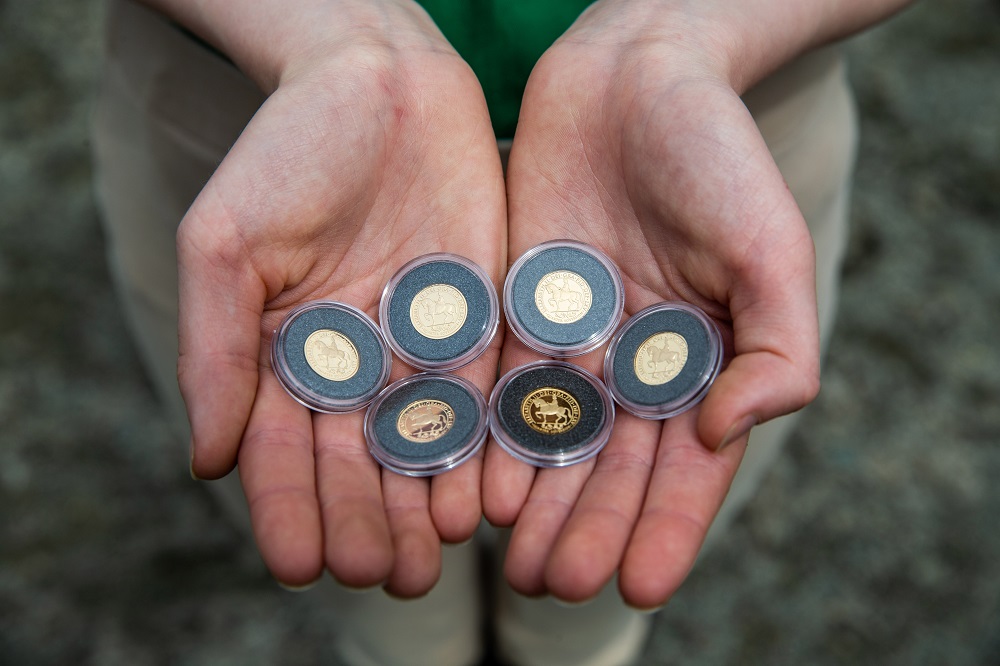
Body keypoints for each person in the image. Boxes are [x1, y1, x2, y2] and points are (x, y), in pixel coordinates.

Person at [91, 0, 912, 663]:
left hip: (727, 108)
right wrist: (332, 31)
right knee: (362, 553)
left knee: (597, 570)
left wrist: (678, 34)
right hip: (257, 107)